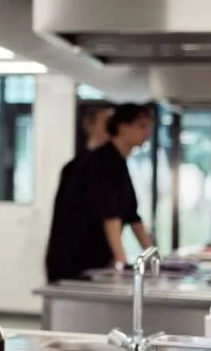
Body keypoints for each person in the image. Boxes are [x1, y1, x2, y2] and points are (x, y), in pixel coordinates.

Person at [45, 103, 155, 282]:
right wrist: (120, 261)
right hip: (75, 262)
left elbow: (132, 216)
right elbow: (110, 216)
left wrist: (152, 255)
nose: (147, 133)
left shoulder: (118, 163)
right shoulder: (101, 162)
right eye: (142, 126)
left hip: (95, 260)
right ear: (122, 127)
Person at [43, 105, 114, 282]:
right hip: (74, 262)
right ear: (90, 125)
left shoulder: (111, 166)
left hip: (96, 260)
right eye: (107, 123)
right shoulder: (76, 167)